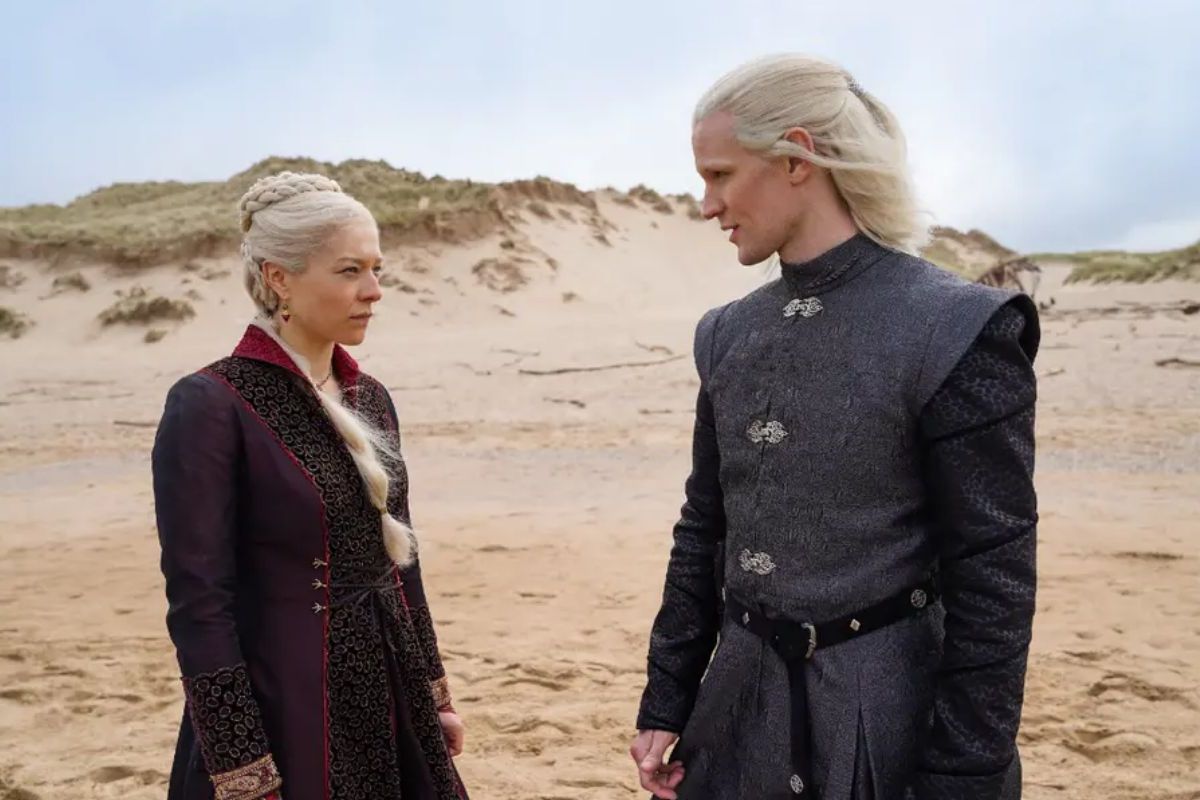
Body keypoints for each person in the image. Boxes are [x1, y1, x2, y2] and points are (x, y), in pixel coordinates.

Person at [631, 54, 1039, 800]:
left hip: (883, 716)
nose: (707, 205)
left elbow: (994, 577)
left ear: (797, 157)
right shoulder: (727, 333)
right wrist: (669, 695)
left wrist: (965, 775)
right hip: (738, 709)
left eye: (720, 175)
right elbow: (704, 529)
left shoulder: (956, 327)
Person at [153, 171, 469, 800]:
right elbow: (199, 603)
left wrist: (434, 694)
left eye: (376, 269)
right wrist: (241, 767)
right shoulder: (211, 405)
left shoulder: (370, 398)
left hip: (391, 690)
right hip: (284, 705)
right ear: (279, 278)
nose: (374, 290)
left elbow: (400, 562)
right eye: (350, 271)